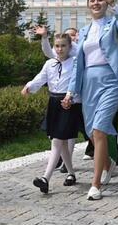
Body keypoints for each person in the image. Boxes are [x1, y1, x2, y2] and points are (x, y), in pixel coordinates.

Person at [64, 0, 118, 201]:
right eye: (92, 0)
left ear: (105, 4)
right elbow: (78, 64)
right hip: (89, 83)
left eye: (100, 0)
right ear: (88, 5)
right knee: (91, 132)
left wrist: (113, 3)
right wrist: (70, 92)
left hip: (110, 80)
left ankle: (95, 185)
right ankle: (108, 163)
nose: (96, 2)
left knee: (100, 128)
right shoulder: (84, 31)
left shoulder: (112, 24)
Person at [22, 33, 79, 193]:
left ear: (70, 47)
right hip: (53, 103)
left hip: (68, 104)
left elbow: (76, 82)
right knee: (61, 143)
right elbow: (41, 78)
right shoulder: (49, 64)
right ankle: (71, 173)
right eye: (57, 46)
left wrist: (70, 97)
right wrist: (29, 87)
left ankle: (45, 178)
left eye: (63, 46)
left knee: (57, 141)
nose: (60, 49)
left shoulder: (75, 62)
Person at [36, 24, 93, 165]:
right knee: (62, 133)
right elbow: (49, 53)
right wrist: (44, 37)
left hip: (76, 100)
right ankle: (64, 162)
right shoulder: (58, 57)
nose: (60, 48)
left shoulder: (77, 54)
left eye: (73, 35)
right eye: (68, 35)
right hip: (62, 100)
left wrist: (76, 42)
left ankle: (104, 156)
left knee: (83, 132)